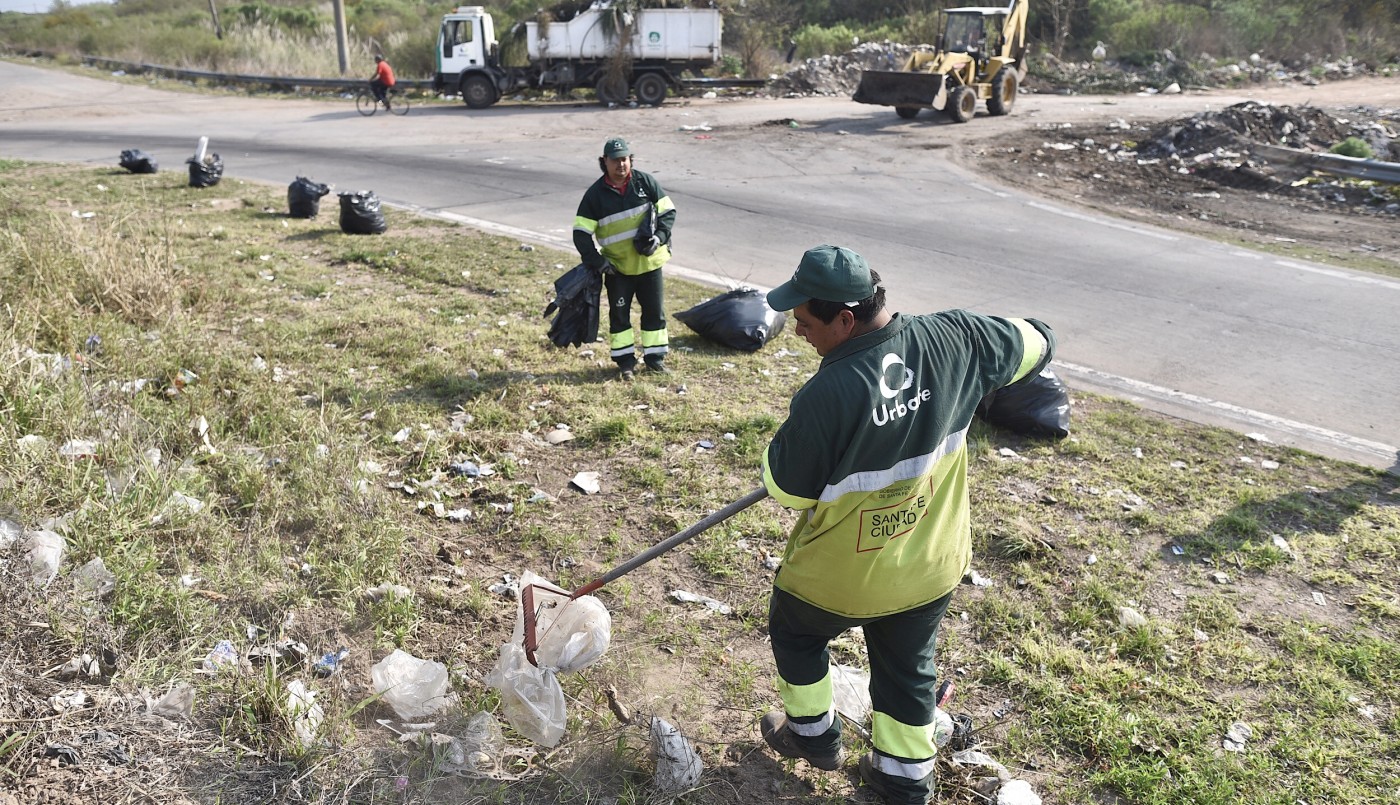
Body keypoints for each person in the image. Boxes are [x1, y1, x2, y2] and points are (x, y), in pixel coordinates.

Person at [757, 245, 1055, 804]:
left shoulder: (828, 392)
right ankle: (902, 780)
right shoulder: (958, 336)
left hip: (845, 573)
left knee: (796, 631)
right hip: (931, 562)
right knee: (907, 666)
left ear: (845, 320)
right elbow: (1039, 339)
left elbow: (787, 488)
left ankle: (814, 738)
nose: (798, 332)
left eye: (805, 322)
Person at [573, 136, 676, 380]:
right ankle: (625, 363)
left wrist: (659, 237)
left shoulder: (645, 182)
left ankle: (655, 360)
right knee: (619, 317)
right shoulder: (595, 196)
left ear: (630, 160)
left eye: (625, 159)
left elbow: (668, 212)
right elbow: (580, 233)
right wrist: (598, 262)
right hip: (617, 270)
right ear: (604, 162)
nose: (621, 165)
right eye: (615, 160)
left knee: (654, 313)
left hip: (650, 265)